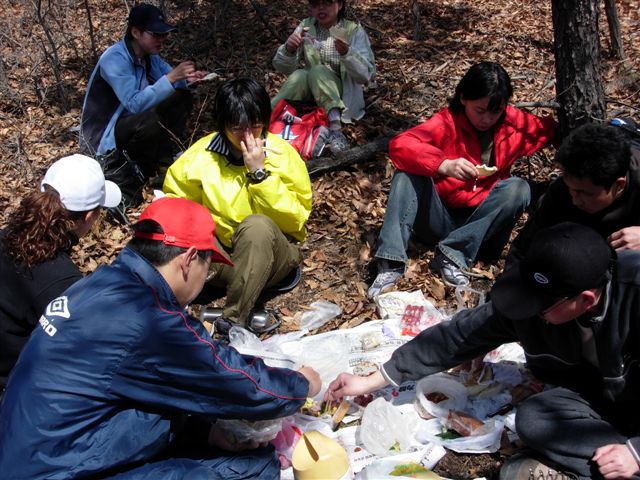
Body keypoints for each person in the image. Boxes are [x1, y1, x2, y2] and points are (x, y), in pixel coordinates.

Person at [0, 196, 321, 480]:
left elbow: (135, 393)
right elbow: (231, 378)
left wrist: (203, 433)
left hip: (31, 452)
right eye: (208, 269)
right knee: (249, 468)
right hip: (55, 467)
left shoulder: (99, 284)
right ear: (189, 259)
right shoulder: (148, 316)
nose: (204, 279)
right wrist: (301, 385)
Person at [328, 222, 640, 480]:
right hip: (595, 399)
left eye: (540, 308)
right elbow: (456, 336)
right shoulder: (537, 306)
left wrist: (635, 453)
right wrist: (373, 380)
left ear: (585, 300)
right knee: (534, 419)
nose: (530, 313)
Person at [367, 61, 556, 297]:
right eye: (480, 110)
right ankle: (391, 263)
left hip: (483, 227)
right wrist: (443, 164)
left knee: (518, 188)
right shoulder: (447, 123)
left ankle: (452, 257)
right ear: (464, 98)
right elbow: (400, 145)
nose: (487, 119)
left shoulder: (513, 124)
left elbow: (551, 130)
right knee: (406, 174)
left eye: (495, 111)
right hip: (440, 219)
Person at [163, 78, 312, 334]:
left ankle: (232, 321)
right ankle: (164, 311)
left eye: (255, 126)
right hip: (221, 261)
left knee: (256, 227)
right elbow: (175, 205)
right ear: (222, 125)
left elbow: (295, 222)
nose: (247, 136)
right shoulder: (201, 156)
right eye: (237, 128)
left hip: (271, 257)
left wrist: (259, 175)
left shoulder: (282, 154)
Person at [0, 154, 121, 392]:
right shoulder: (62, 283)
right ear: (89, 216)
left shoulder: (6, 235)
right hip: (12, 387)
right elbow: (81, 351)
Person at [79, 3, 206, 205]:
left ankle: (163, 162)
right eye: (156, 34)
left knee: (181, 97)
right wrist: (173, 78)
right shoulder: (114, 59)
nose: (162, 39)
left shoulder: (148, 57)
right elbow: (134, 103)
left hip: (131, 124)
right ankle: (143, 171)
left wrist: (188, 80)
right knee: (149, 119)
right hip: (104, 137)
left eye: (164, 34)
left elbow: (168, 80)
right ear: (136, 32)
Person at [510, 122, 640, 260]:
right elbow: (524, 248)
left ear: (619, 185)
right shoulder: (562, 189)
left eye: (585, 193)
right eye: (571, 189)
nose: (575, 200)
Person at [271, 0, 375, 153]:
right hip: (313, 93)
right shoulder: (306, 26)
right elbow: (283, 68)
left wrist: (347, 53)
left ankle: (335, 130)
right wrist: (289, 49)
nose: (321, 8)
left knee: (317, 71)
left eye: (327, 3)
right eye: (315, 4)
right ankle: (266, 117)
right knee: (299, 75)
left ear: (340, 5)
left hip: (344, 97)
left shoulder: (353, 31)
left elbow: (367, 75)